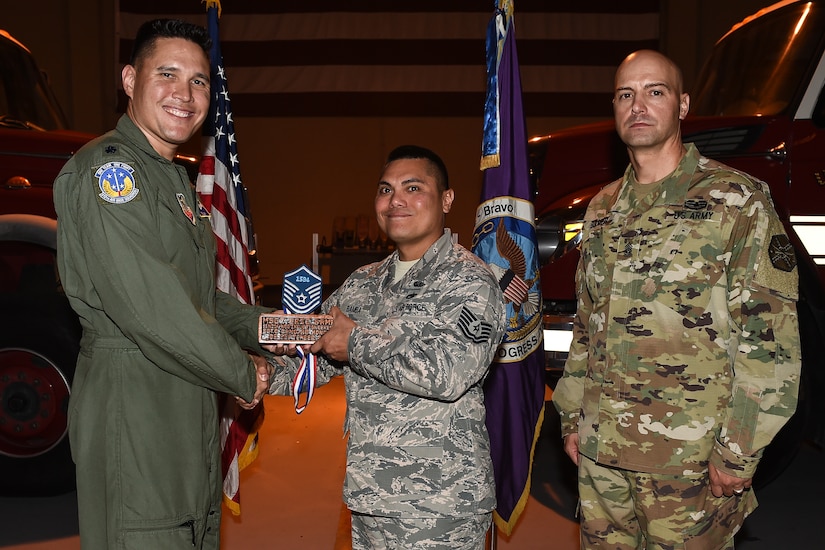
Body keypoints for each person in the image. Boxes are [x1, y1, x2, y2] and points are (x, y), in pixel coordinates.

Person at [552, 49, 801, 549]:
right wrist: (571, 414)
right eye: (626, 94)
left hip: (690, 462)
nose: (637, 105)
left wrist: (738, 452)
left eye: (654, 91)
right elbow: (587, 324)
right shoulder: (602, 208)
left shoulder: (735, 199)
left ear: (683, 106)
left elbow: (768, 342)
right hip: (602, 459)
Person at [53, 19, 273, 549]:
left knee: (189, 529)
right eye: (167, 74)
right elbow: (153, 307)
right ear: (129, 79)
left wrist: (273, 326)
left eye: (199, 81)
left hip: (183, 389)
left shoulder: (171, 177)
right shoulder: (110, 173)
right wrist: (241, 373)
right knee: (149, 534)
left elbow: (197, 297)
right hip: (136, 399)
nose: (185, 94)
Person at [265, 145, 507, 549]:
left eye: (413, 187)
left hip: (440, 505)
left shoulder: (470, 281)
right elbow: (316, 359)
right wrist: (256, 371)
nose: (396, 200)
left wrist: (355, 340)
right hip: (370, 494)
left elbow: (449, 374)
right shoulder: (362, 282)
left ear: (447, 199)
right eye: (385, 189)